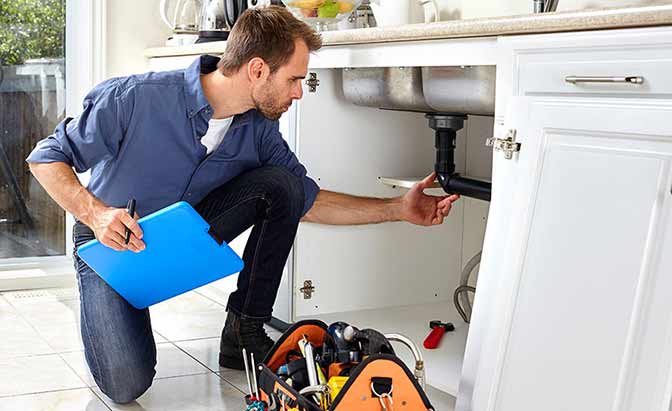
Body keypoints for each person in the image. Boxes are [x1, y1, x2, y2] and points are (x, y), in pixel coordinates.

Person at [26, 6, 459, 404]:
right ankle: (121, 299)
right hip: (113, 244)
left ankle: (244, 331)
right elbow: (45, 158)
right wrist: (97, 214)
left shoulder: (259, 132)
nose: (299, 93)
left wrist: (398, 208)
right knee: (125, 385)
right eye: (293, 79)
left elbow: (307, 201)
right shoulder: (133, 98)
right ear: (257, 69)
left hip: (183, 233)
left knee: (283, 184)